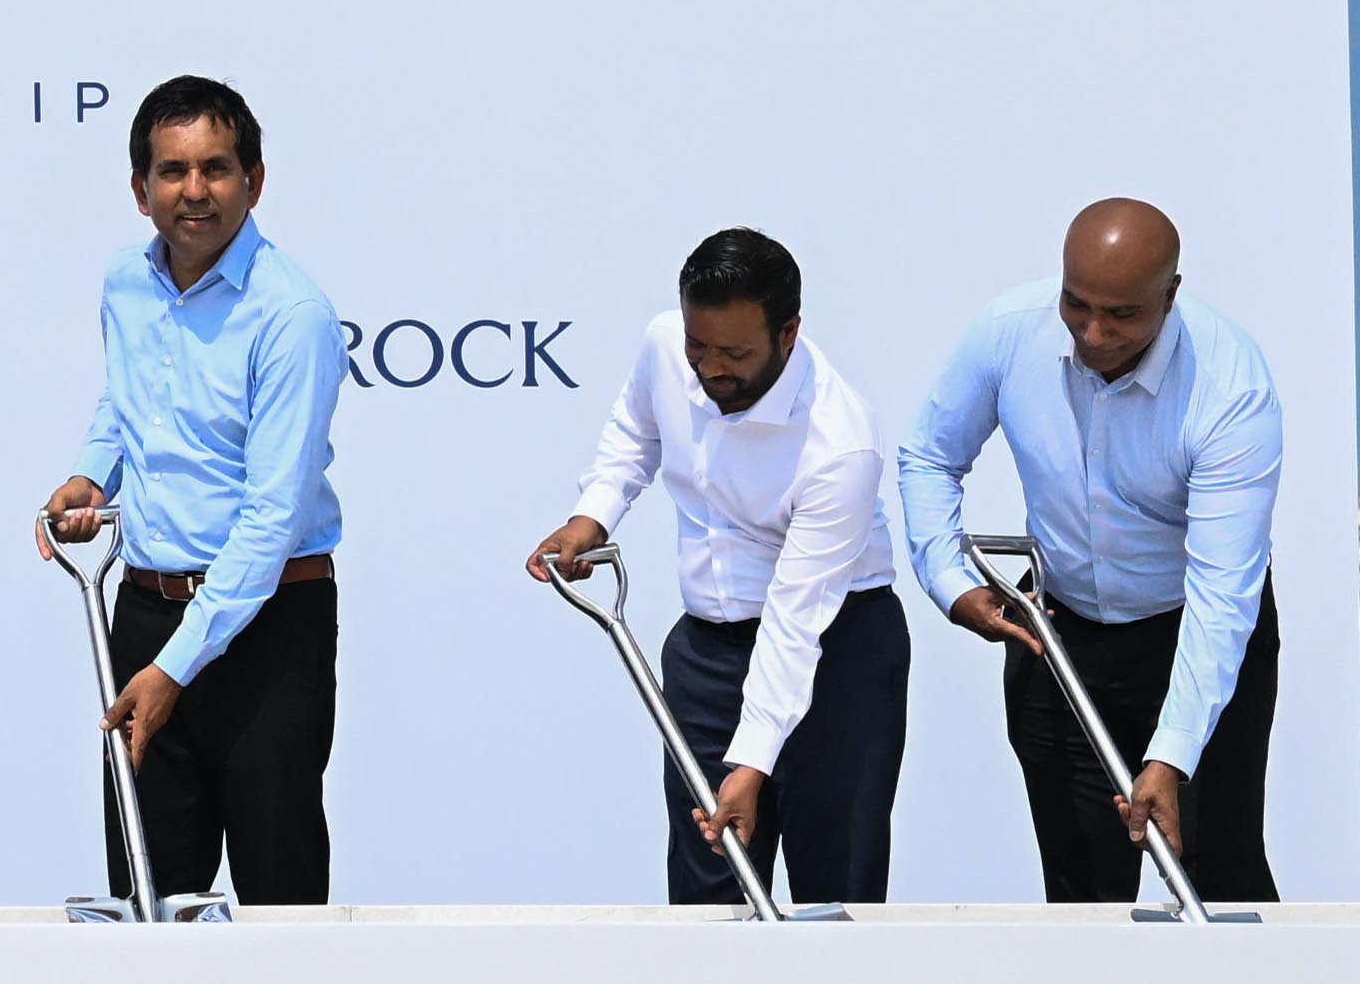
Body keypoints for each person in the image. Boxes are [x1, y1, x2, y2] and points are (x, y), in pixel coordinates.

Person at [894, 197, 1286, 905]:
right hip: (1056, 632)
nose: (1093, 332)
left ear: (1169, 296)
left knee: (1220, 877)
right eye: (1076, 304)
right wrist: (948, 580)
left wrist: (1172, 753)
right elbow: (928, 456)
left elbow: (1223, 591)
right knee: (1079, 893)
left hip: (1190, 631)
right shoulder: (1007, 330)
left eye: (1121, 315)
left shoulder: (1231, 386)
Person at [526, 228, 908, 908]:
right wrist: (593, 516)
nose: (710, 369)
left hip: (834, 651)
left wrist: (752, 759)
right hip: (705, 652)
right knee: (706, 893)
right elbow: (633, 432)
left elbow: (796, 618)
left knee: (832, 887)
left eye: (735, 354)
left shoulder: (840, 443)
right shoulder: (664, 344)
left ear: (788, 333)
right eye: (698, 346)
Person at [39, 74, 347, 907]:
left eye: (216, 167)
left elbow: (272, 517)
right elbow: (127, 397)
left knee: (278, 899)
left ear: (255, 179)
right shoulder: (125, 281)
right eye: (172, 170)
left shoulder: (292, 315)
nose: (195, 190)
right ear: (140, 190)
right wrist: (90, 472)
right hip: (144, 612)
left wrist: (172, 668)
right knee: (145, 898)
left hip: (267, 627)